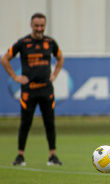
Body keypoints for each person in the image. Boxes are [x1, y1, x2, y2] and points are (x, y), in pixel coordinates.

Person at [1, 12, 64, 166]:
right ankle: (20, 156)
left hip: (46, 90)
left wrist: (55, 74)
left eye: (42, 25)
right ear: (31, 25)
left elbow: (60, 58)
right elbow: (4, 59)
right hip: (29, 91)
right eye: (36, 25)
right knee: (25, 123)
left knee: (49, 122)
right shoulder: (23, 43)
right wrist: (15, 78)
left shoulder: (50, 42)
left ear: (45, 25)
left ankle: (52, 156)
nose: (39, 28)